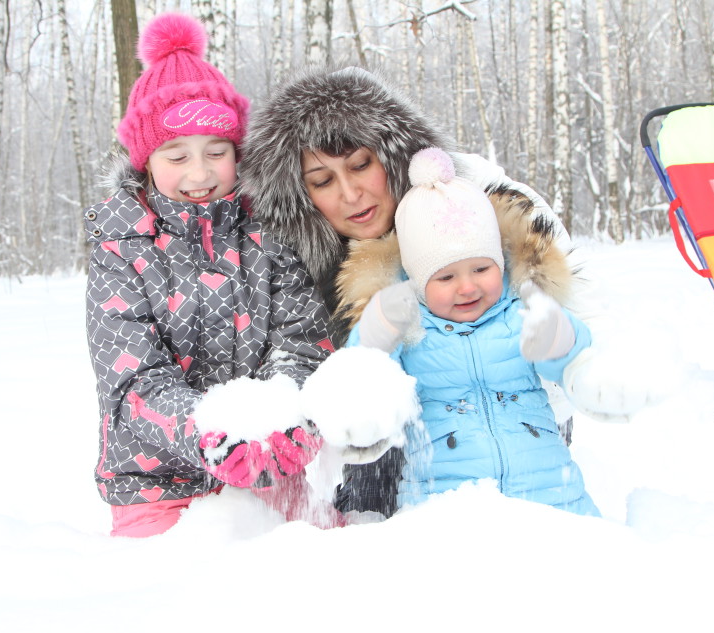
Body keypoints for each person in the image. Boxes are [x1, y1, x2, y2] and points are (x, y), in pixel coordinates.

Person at [239, 65, 576, 518]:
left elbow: (559, 303)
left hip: (518, 421)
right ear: (301, 195)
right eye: (323, 181)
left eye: (361, 165)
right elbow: (297, 352)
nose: (352, 193)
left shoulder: (473, 200)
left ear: (394, 158)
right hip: (383, 442)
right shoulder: (298, 256)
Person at [83, 13, 336, 538]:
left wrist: (283, 418)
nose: (199, 174)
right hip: (157, 479)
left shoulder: (268, 228)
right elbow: (133, 377)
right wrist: (206, 434)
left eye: (216, 152)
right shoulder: (121, 244)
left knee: (312, 570)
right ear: (146, 160)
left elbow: (303, 338)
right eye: (177, 155)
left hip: (269, 468)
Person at [350, 148, 600, 515]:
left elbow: (569, 363)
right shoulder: (410, 328)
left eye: (482, 269)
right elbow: (366, 370)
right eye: (446, 277)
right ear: (419, 284)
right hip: (447, 509)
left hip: (553, 498)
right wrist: (377, 328)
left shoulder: (519, 313)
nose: (467, 288)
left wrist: (558, 337)